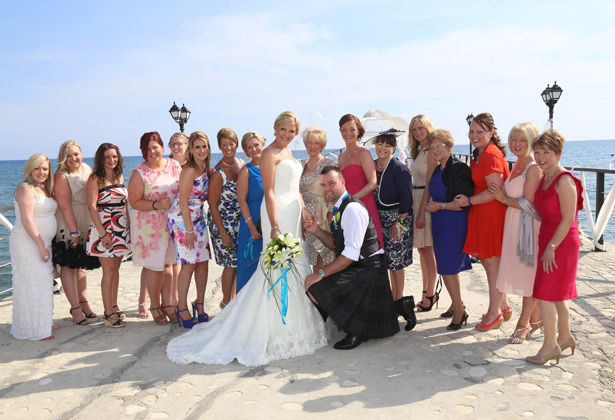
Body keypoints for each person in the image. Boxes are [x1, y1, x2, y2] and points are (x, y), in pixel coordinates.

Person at [167, 111, 327, 367]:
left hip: (293, 213)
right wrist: (273, 225)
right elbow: (270, 192)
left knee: (295, 263)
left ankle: (295, 322)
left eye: (292, 132)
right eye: (283, 130)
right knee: (275, 267)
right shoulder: (269, 154)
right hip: (276, 213)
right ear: (275, 129)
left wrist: (304, 210)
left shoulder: (287, 153)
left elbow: (294, 188)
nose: (287, 135)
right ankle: (271, 325)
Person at [304, 166, 415, 350]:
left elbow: (348, 256)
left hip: (369, 269)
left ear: (342, 182)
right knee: (320, 290)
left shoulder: (352, 209)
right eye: (323, 185)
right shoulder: (340, 207)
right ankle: (400, 305)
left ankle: (358, 329)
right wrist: (316, 231)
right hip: (358, 265)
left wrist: (321, 273)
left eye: (331, 183)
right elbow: (337, 244)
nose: (327, 189)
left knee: (317, 288)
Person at [526, 130, 583, 365]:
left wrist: (551, 247)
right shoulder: (545, 177)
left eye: (546, 153)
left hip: (560, 242)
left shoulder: (564, 179)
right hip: (548, 237)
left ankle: (549, 346)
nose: (540, 157)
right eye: (537, 152)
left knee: (545, 294)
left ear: (558, 154)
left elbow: (569, 218)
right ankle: (566, 336)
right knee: (557, 294)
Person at [454, 113, 511, 330]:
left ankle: (495, 313)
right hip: (484, 211)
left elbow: (493, 191)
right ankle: (503, 305)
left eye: (480, 131)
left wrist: (468, 200)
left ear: (491, 133)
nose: (474, 135)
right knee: (491, 262)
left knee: (491, 263)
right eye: (472, 131)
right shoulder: (482, 153)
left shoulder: (490, 155)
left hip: (491, 212)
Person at [489, 123, 543, 344]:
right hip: (513, 222)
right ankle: (537, 320)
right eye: (513, 139)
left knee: (528, 276)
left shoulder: (533, 168)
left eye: (522, 139)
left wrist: (502, 199)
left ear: (531, 141)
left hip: (527, 226)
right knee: (523, 273)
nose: (516, 144)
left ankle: (523, 323)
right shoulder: (516, 165)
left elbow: (529, 203)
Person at [128, 131, 181, 325]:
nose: (152, 151)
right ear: (143, 151)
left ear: (162, 148)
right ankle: (154, 305)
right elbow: (133, 202)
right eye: (148, 148)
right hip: (149, 227)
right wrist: (156, 205)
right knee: (154, 267)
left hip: (171, 224)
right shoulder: (139, 172)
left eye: (155, 147)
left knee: (168, 264)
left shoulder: (174, 165)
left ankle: (168, 304)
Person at [424, 130, 473, 330]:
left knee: (447, 267)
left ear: (449, 146)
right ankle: (456, 304)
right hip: (440, 222)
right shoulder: (437, 169)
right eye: (432, 146)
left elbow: (463, 202)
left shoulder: (458, 169)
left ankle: (460, 312)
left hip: (454, 221)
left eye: (439, 146)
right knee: (448, 265)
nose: (435, 150)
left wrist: (440, 206)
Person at [10, 154, 59, 340]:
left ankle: (44, 322)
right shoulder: (26, 189)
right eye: (37, 168)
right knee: (31, 284)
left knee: (43, 284)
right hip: (28, 243)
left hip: (42, 243)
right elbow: (27, 221)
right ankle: (35, 331)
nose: (41, 172)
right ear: (30, 169)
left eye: (45, 168)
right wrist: (41, 246)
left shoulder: (44, 189)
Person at [52, 140, 100, 326]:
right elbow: (64, 206)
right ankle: (74, 308)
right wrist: (74, 232)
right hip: (69, 221)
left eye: (76, 154)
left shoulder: (87, 168)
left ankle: (84, 301)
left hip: (86, 219)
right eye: (69, 155)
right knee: (69, 265)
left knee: (81, 266)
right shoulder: (61, 176)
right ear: (63, 158)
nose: (73, 158)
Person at [168, 131, 213, 328]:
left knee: (203, 263)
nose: (202, 150)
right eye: (197, 147)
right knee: (188, 264)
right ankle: (182, 308)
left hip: (198, 217)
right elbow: (183, 202)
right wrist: (188, 229)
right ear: (191, 150)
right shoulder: (189, 170)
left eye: (204, 146)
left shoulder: (206, 167)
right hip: (182, 219)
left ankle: (200, 304)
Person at [86, 143, 131, 328]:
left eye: (114, 156)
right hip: (103, 229)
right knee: (108, 271)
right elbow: (91, 207)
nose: (111, 160)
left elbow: (125, 204)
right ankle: (108, 313)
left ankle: (114, 304)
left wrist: (129, 227)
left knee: (116, 270)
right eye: (107, 157)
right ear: (100, 159)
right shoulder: (95, 178)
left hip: (120, 229)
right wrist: (103, 234)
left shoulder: (119, 175)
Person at [370, 129, 414, 301]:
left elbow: (407, 200)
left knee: (396, 264)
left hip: (397, 219)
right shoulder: (372, 165)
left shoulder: (399, 169)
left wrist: (400, 225)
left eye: (388, 145)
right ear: (375, 145)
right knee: (385, 262)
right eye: (380, 144)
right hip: (378, 219)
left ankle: (398, 300)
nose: (383, 148)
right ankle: (390, 298)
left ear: (394, 149)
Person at [207, 128, 243, 308]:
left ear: (237, 144)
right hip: (223, 223)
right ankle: (225, 302)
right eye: (224, 144)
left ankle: (234, 299)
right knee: (230, 264)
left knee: (239, 263)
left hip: (239, 222)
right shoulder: (217, 173)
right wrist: (223, 233)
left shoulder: (240, 163)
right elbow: (212, 205)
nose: (228, 147)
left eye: (231, 143)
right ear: (219, 147)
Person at [408, 115, 439, 313]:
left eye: (421, 128)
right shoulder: (419, 150)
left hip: (425, 201)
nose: (418, 132)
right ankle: (426, 291)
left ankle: (430, 294)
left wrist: (421, 210)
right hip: (416, 198)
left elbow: (430, 183)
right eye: (414, 129)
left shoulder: (432, 151)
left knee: (428, 251)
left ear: (428, 128)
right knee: (422, 251)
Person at [337, 114, 384, 248]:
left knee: (366, 247)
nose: (348, 133)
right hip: (346, 207)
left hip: (363, 204)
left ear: (358, 131)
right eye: (344, 129)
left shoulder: (364, 154)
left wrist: (351, 199)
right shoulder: (341, 157)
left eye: (352, 129)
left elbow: (373, 183)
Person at [300, 126, 336, 271]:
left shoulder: (329, 164)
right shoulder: (301, 165)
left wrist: (330, 214)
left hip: (324, 215)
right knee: (314, 259)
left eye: (316, 143)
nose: (313, 146)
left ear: (322, 145)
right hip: (306, 218)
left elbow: (334, 192)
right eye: (309, 142)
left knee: (328, 257)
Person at [236, 131, 265, 292]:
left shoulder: (272, 167)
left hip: (270, 224)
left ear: (262, 145)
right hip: (252, 225)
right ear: (246, 151)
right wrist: (251, 227)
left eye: (256, 145)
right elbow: (242, 200)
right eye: (249, 147)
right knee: (250, 267)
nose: (253, 149)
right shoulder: (246, 171)